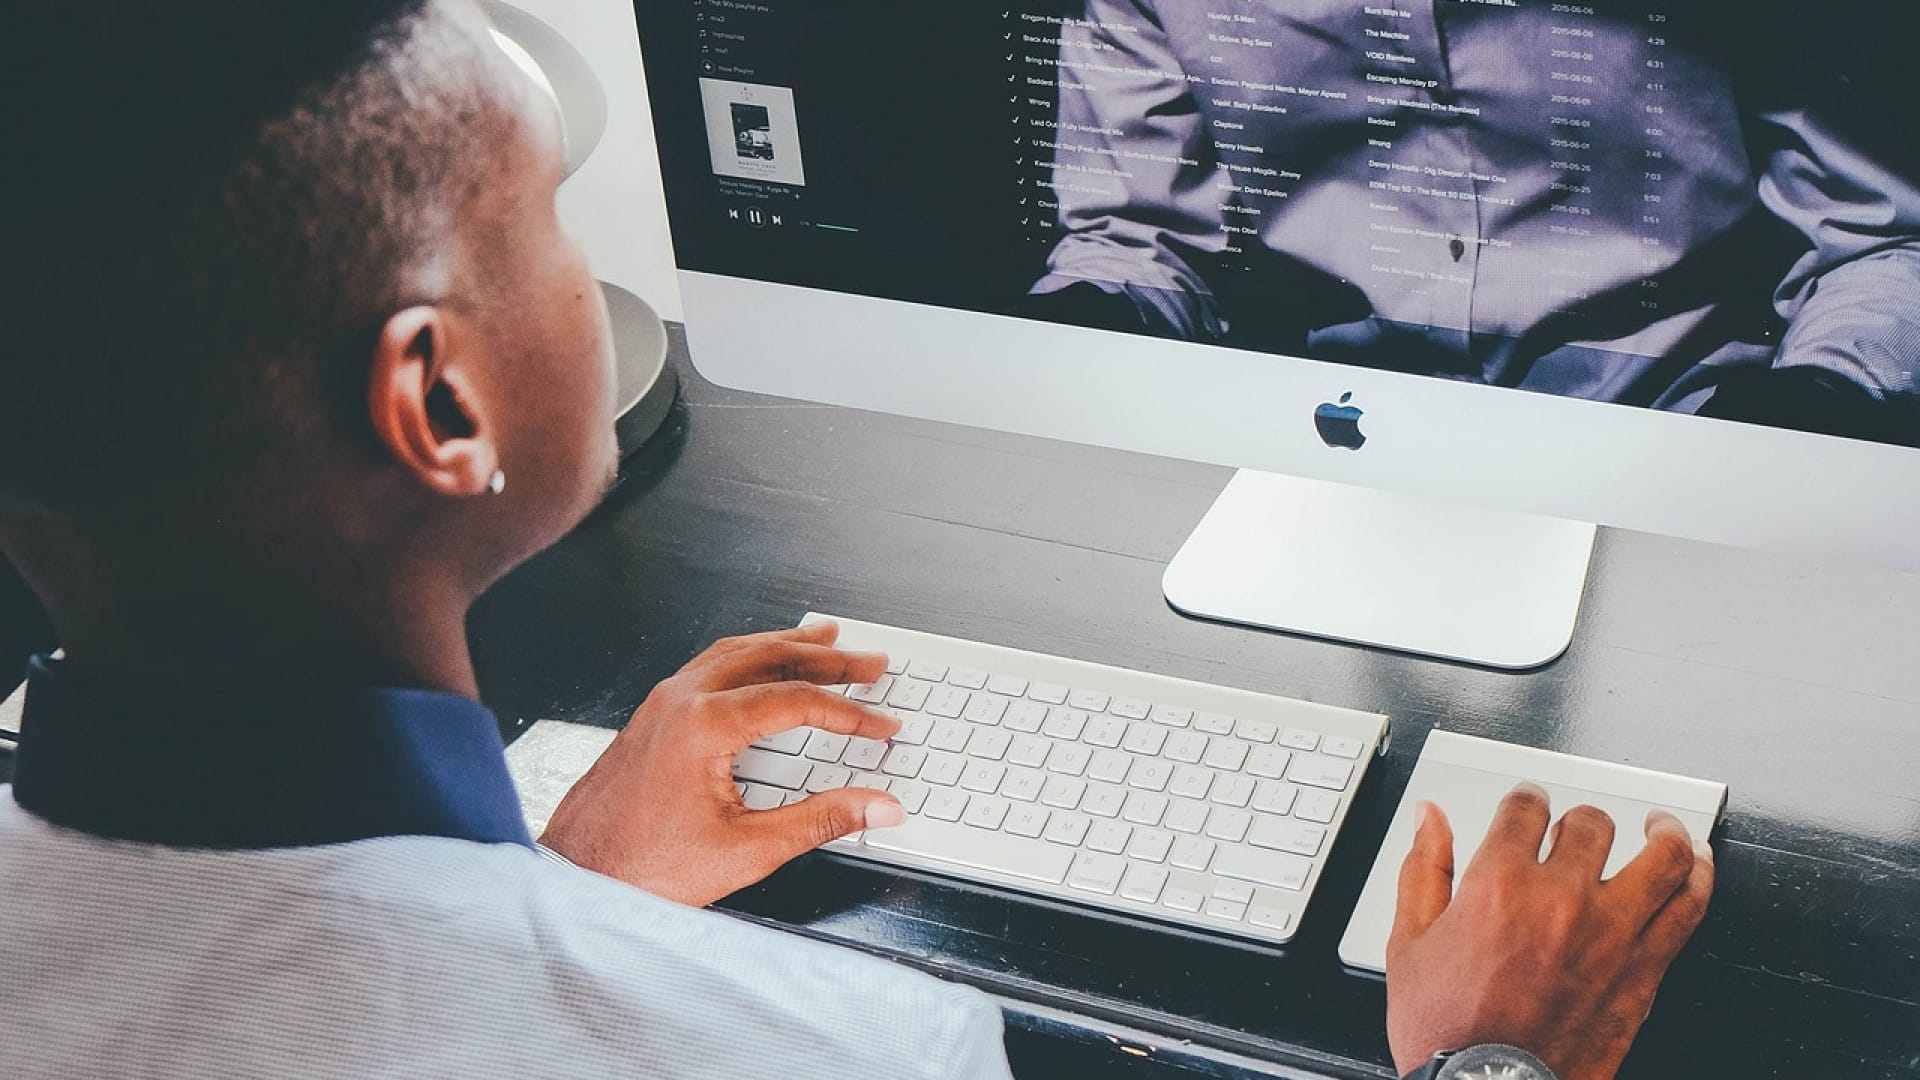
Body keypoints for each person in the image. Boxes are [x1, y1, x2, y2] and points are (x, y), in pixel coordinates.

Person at [0, 3, 1712, 1078]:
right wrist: (1496, 1066)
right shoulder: (827, 1048)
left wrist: (563, 888)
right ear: (438, 404)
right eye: (547, 220)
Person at [1025, 0, 1920, 444]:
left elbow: (1877, 240)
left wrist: (1815, 408)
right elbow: (1137, 240)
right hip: (1329, 436)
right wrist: (1069, 333)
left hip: (1684, 442)